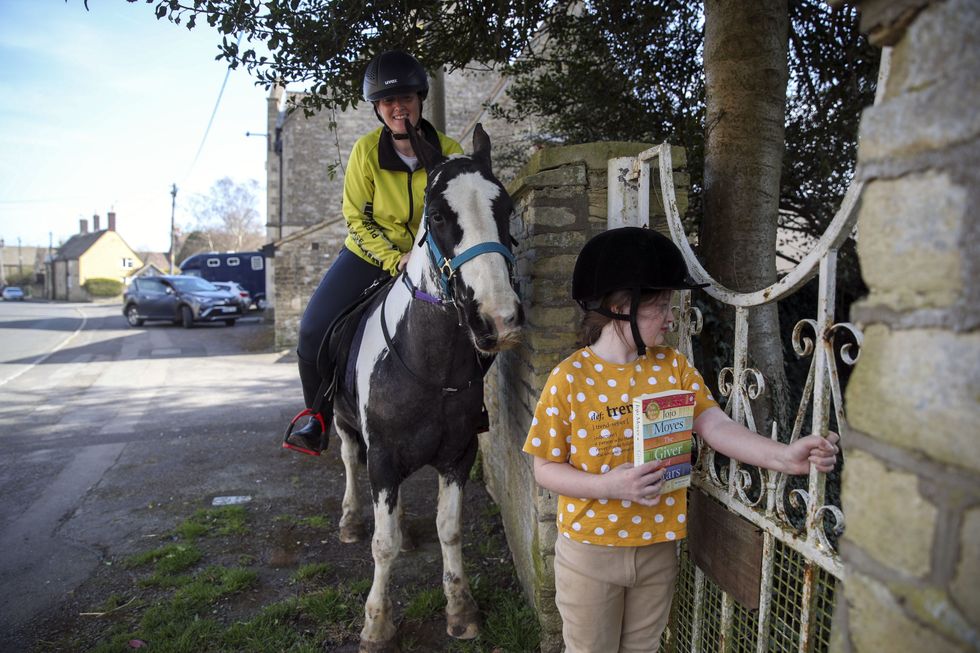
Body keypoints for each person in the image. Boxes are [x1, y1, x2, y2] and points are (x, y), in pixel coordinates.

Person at [522, 226, 840, 653]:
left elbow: (716, 426)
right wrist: (607, 486)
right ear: (621, 308)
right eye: (659, 308)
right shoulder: (569, 379)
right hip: (589, 555)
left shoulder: (672, 367)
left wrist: (786, 458)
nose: (671, 319)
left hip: (658, 551)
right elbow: (544, 468)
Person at [284, 50, 463, 455]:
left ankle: (471, 408)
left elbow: (458, 212)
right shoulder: (365, 152)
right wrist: (393, 259)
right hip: (369, 255)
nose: (398, 108)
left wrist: (425, 255)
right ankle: (316, 417)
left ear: (420, 100)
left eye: (406, 99)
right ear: (378, 109)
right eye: (388, 102)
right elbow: (356, 219)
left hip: (432, 257)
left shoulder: (450, 151)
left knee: (477, 314)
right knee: (312, 329)